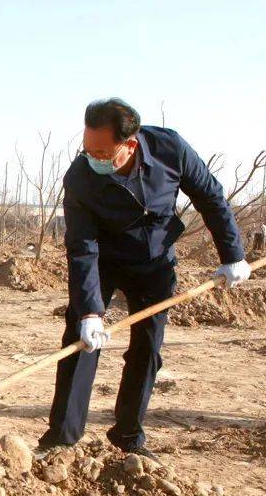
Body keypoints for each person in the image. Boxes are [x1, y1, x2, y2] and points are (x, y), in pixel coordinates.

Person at [39, 99, 251, 460]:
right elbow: (81, 246)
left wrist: (233, 256)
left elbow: (210, 196)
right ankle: (61, 437)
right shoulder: (81, 176)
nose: (93, 158)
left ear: (131, 145)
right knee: (81, 340)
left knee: (148, 347)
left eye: (103, 152)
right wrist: (90, 311)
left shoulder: (171, 149)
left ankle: (127, 436)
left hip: (154, 262)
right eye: (87, 149)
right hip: (104, 260)